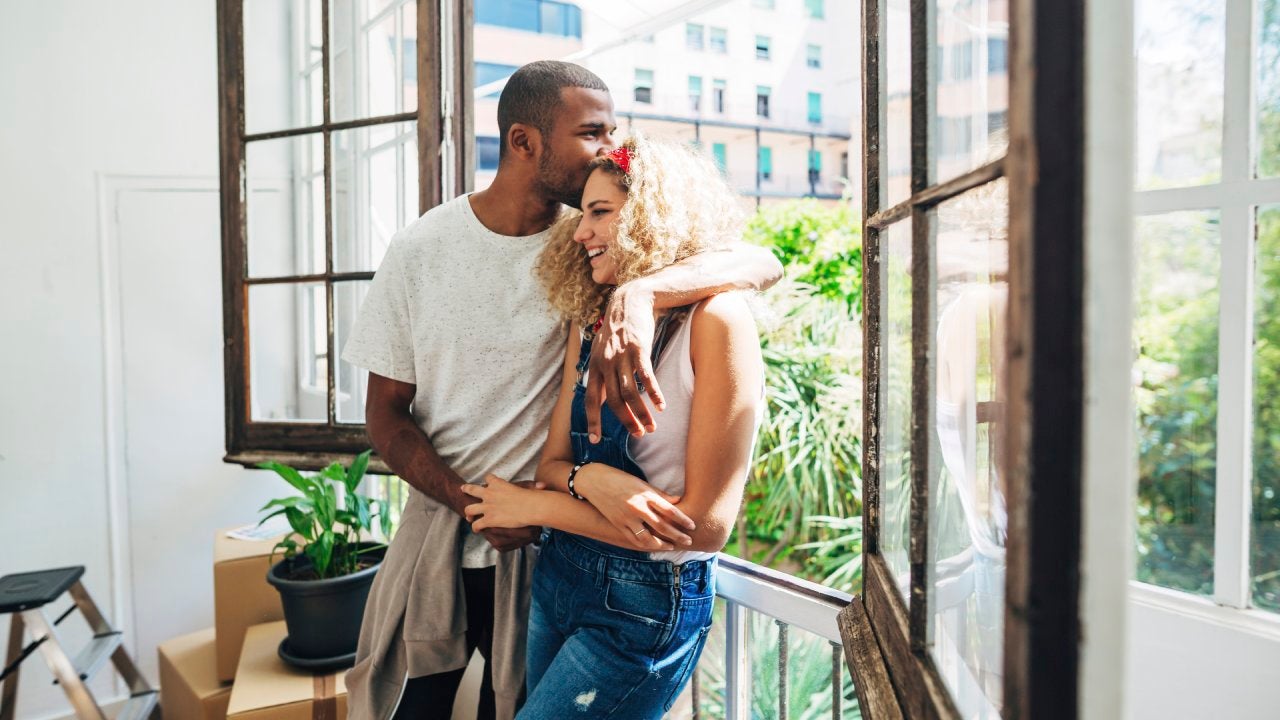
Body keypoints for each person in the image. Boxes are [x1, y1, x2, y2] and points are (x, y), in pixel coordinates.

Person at [340, 61, 781, 720]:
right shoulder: (429, 249)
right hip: (458, 534)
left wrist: (643, 289)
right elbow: (385, 416)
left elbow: (759, 262)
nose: (610, 148)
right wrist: (480, 503)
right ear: (525, 143)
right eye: (593, 132)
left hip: (554, 550)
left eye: (613, 134)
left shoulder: (595, 256)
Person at [460, 136, 765, 719]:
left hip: (644, 604)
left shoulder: (718, 322)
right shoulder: (592, 320)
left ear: (655, 217)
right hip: (559, 577)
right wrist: (591, 481)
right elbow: (552, 465)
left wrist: (533, 507)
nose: (580, 232)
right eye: (583, 213)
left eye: (600, 213)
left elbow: (699, 530)